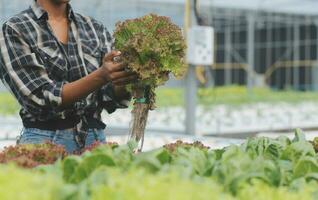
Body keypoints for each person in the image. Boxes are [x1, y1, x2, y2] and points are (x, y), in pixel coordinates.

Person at [0, 0, 137, 153]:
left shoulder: (94, 28)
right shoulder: (16, 29)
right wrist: (102, 75)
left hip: (94, 141)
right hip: (43, 143)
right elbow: (39, 98)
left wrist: (126, 75)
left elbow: (110, 98)